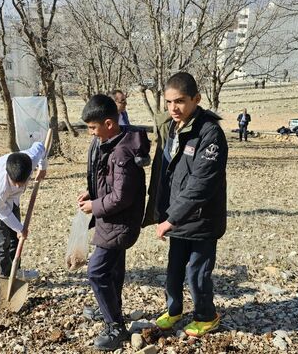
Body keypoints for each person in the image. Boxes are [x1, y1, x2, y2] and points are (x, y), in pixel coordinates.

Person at [154, 72, 228, 338]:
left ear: (196, 99)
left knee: (197, 273)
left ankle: (207, 317)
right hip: (179, 216)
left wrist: (170, 219)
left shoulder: (210, 133)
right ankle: (174, 310)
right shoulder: (174, 126)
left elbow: (201, 184)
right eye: (169, 102)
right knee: (174, 270)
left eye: (180, 101)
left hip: (202, 220)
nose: (173, 108)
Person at [78, 94, 150, 351]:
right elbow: (110, 183)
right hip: (112, 222)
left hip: (119, 223)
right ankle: (111, 309)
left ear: (109, 123)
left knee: (96, 272)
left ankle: (115, 326)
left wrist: (94, 206)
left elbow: (121, 197)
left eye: (93, 128)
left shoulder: (122, 152)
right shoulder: (112, 142)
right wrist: (93, 194)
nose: (91, 134)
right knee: (114, 271)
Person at [0, 142, 47, 278]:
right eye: (14, 182)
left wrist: (43, 167)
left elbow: (41, 146)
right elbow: (2, 211)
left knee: (15, 237)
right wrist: (20, 228)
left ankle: (16, 271)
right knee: (2, 239)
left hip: (12, 198)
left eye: (21, 183)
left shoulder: (31, 159)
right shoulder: (0, 187)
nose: (17, 185)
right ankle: (6, 275)